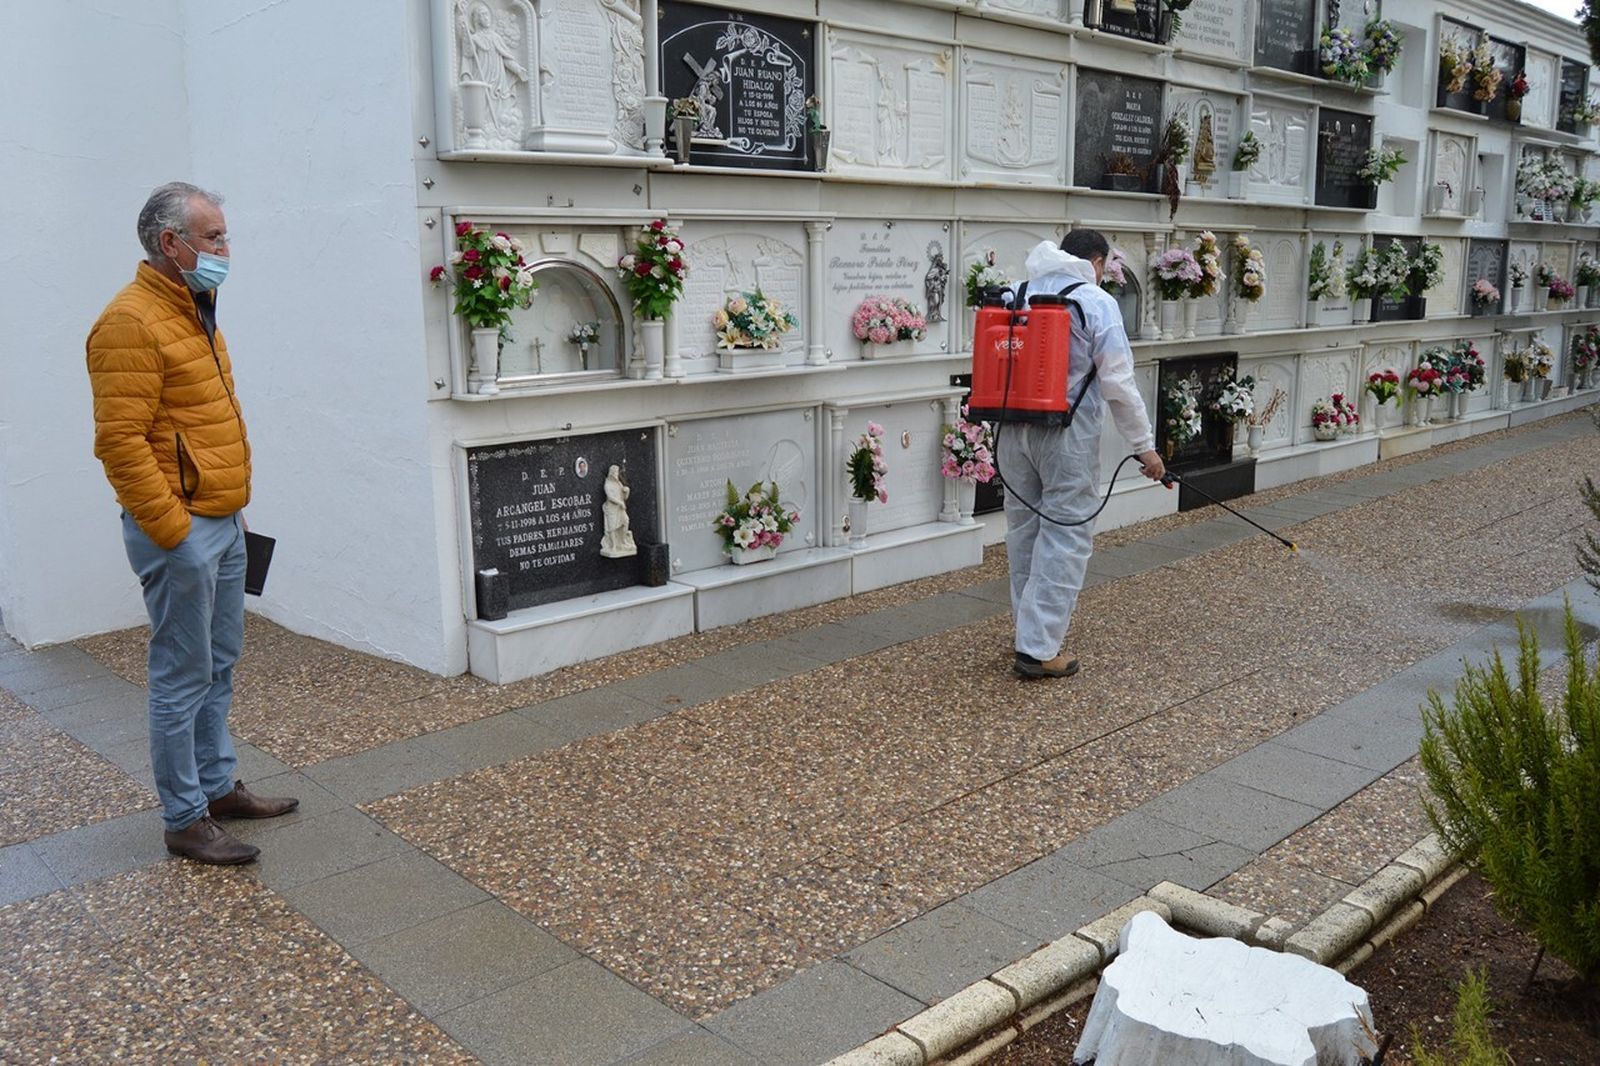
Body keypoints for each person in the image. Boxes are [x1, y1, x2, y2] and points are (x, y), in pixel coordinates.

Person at [86, 182, 297, 865]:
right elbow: (120, 443)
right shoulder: (130, 321)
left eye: (224, 237)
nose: (225, 250)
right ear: (170, 243)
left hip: (225, 520)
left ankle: (217, 786)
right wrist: (175, 533)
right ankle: (184, 818)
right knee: (181, 675)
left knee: (221, 662)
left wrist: (226, 515)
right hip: (182, 530)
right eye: (213, 239)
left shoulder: (195, 304)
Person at [1000, 229, 1168, 679]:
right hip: (1065, 436)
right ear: (1097, 263)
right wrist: (1144, 448)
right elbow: (1119, 384)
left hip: (1011, 430)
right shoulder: (1095, 302)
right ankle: (1038, 649)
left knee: (1024, 532)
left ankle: (1028, 631)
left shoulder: (1016, 292)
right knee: (1066, 535)